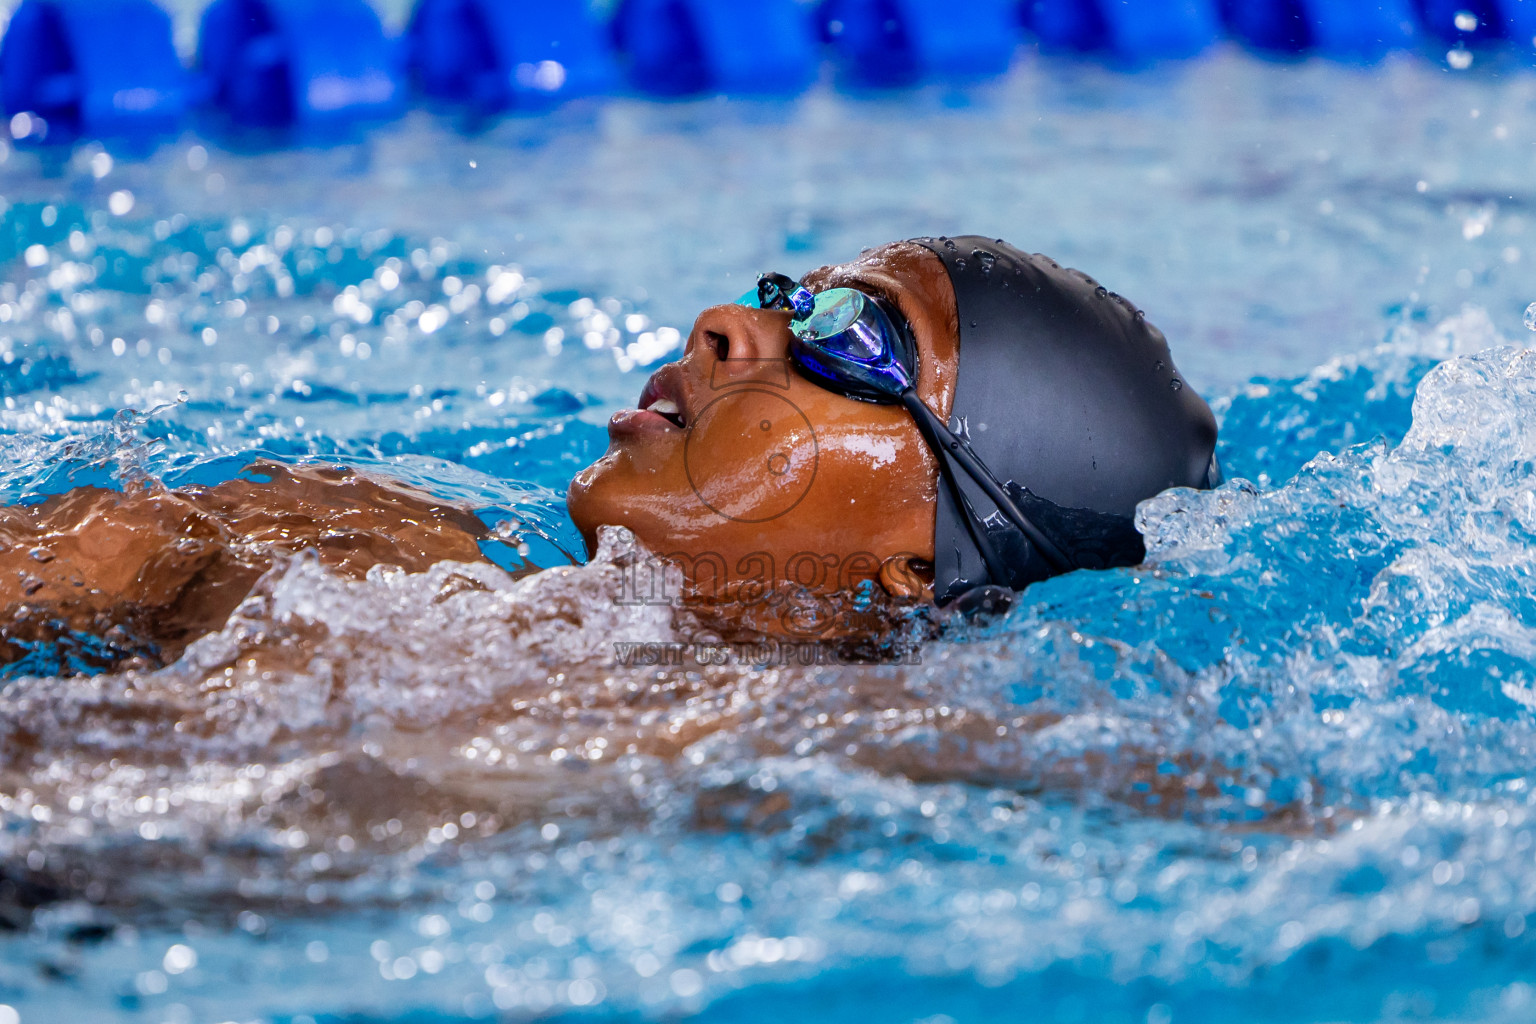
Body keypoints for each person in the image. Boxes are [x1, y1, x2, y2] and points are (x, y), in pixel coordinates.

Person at [0, 237, 1218, 672]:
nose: (730, 325)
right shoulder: (373, 530)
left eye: (858, 338)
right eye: (792, 296)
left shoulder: (786, 745)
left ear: (919, 565)